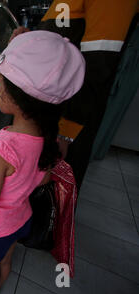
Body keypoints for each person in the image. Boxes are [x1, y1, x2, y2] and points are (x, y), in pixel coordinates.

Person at [0, 31, 86, 294]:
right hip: (19, 220)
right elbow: (43, 180)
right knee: (4, 261)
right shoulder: (52, 140)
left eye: (0, 83)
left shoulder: (1, 149)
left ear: (21, 98)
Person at [37, 0, 138, 188]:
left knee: (49, 194)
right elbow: (60, 35)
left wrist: (66, 132)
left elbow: (97, 66)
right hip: (45, 113)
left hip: (64, 120)